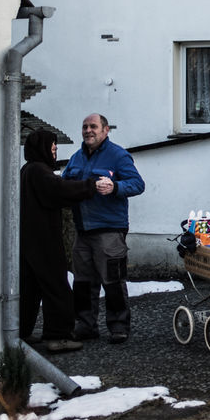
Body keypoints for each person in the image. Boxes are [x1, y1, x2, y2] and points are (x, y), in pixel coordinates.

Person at [62, 113, 146, 345]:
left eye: (93, 127)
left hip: (109, 230)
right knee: (82, 282)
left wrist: (115, 186)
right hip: (82, 230)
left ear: (106, 130)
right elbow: (65, 182)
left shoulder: (118, 155)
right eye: (85, 126)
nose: (88, 130)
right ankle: (85, 325)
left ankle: (118, 326)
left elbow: (138, 184)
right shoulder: (76, 158)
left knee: (113, 280)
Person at [19, 130, 101, 353]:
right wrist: (90, 186)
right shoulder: (38, 170)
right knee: (57, 287)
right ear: (42, 148)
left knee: (31, 288)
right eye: (52, 146)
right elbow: (59, 190)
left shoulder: (28, 170)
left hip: (30, 240)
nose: (55, 150)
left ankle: (21, 331)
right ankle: (58, 337)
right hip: (43, 239)